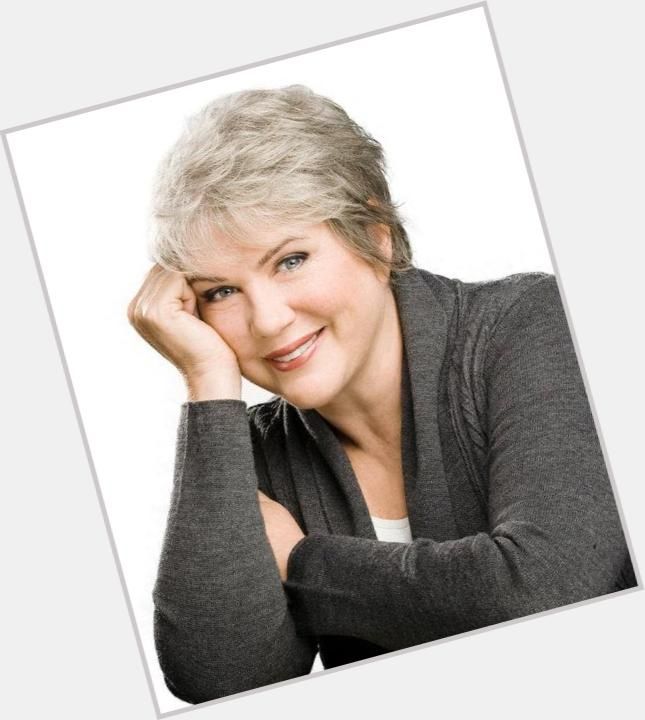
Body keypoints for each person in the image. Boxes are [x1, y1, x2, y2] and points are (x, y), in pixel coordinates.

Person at [127, 85, 635, 705]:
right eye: (221, 292)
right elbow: (220, 679)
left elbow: (542, 592)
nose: (268, 320)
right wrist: (208, 387)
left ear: (376, 235)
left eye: (290, 260)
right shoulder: (253, 453)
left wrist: (303, 563)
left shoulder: (529, 325)